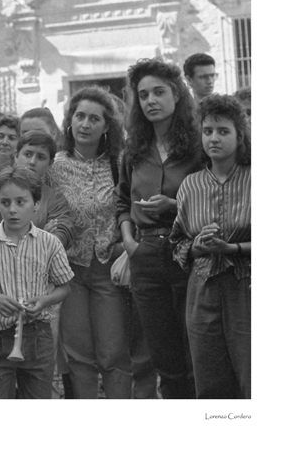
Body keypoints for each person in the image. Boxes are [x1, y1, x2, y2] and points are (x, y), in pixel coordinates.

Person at [115, 58, 203, 399]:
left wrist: (176, 206)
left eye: (159, 92)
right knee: (163, 357)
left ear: (177, 94)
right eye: (143, 94)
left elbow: (213, 199)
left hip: (190, 253)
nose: (150, 100)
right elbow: (122, 202)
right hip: (146, 255)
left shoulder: (198, 146)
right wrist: (128, 242)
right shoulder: (133, 149)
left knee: (195, 351)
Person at [49, 86, 132, 398]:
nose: (85, 123)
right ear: (70, 122)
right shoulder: (55, 167)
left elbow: (133, 207)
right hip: (69, 272)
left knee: (114, 355)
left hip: (108, 270)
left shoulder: (121, 162)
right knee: (79, 357)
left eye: (94, 118)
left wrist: (126, 245)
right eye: (79, 116)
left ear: (106, 126)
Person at [0, 167, 73, 399]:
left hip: (38, 338)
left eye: (20, 202)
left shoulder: (49, 243)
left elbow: (65, 286)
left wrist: (45, 301)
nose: (12, 209)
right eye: (5, 202)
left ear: (36, 204)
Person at [170, 94, 251, 398]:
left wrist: (234, 249)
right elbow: (177, 242)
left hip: (247, 286)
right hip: (201, 288)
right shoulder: (190, 184)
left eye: (223, 131)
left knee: (252, 374)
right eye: (208, 131)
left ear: (239, 135)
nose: (214, 138)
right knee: (209, 378)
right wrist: (196, 247)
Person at [0, 130, 72, 247]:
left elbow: (62, 232)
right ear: (16, 156)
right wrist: (39, 239)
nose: (32, 162)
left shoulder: (55, 199)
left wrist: (50, 241)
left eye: (41, 157)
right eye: (28, 154)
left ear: (50, 163)